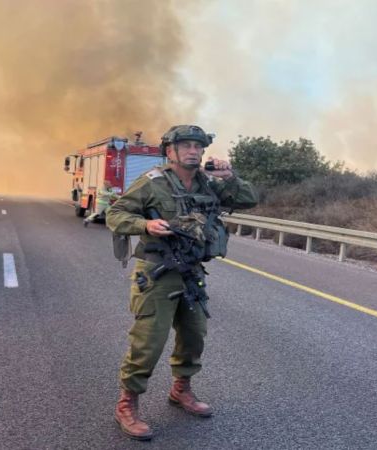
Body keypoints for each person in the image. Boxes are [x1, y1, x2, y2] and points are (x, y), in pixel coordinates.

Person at [106, 125, 258, 440]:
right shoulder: (153, 183)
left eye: (198, 146)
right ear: (171, 151)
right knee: (148, 341)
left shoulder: (209, 184)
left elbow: (249, 200)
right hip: (157, 272)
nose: (194, 151)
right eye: (186, 145)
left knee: (194, 335)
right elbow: (116, 214)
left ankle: (181, 390)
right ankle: (127, 403)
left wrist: (229, 176)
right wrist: (145, 224)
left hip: (191, 272)